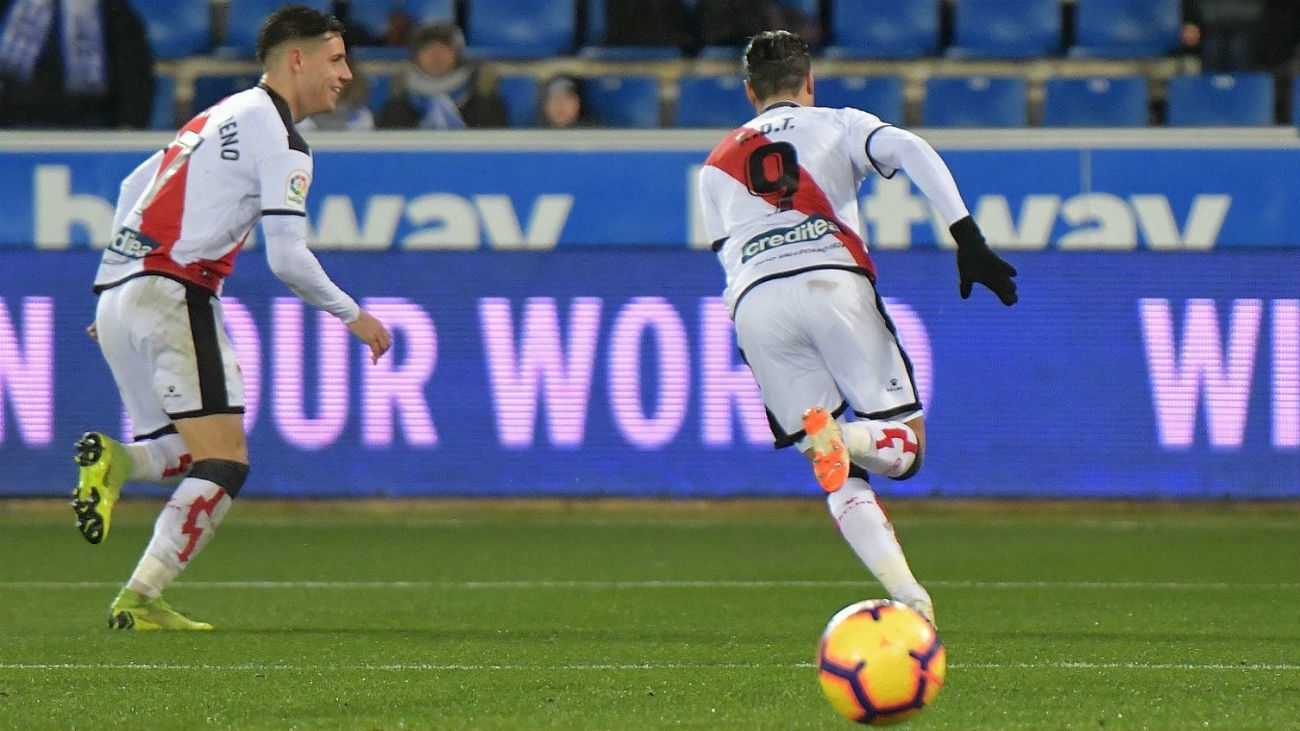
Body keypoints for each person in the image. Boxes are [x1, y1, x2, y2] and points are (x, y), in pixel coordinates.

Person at [72, 4, 392, 630]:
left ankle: (116, 463)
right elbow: (289, 258)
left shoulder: (217, 113)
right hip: (175, 293)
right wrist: (353, 316)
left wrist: (117, 275)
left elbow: (132, 187)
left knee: (187, 452)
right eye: (335, 59)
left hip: (121, 296)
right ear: (295, 60)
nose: (347, 74)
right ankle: (141, 598)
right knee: (226, 462)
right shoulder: (282, 140)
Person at [696, 30, 1018, 628]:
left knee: (834, 468)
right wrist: (967, 237)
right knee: (906, 446)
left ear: (749, 92)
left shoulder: (715, 165)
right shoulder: (838, 124)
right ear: (809, 84)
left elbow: (728, 254)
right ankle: (852, 439)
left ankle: (911, 598)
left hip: (753, 303)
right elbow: (913, 150)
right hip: (830, 280)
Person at [0, 0, 154, 128]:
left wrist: (129, 126)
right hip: (11, 124)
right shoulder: (8, 7)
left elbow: (134, 75)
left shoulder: (111, 10)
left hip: (90, 127)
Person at [375, 20, 507, 129]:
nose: (436, 55)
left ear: (457, 54)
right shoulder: (401, 100)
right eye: (427, 48)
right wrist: (398, 100)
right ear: (416, 56)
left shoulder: (480, 93)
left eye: (444, 48)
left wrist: (485, 97)